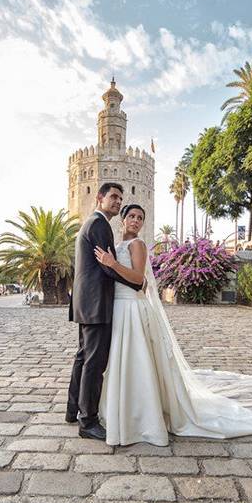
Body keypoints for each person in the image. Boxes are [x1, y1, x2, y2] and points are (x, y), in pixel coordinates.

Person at [90, 204, 252, 446]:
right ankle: (122, 410)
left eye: (140, 218)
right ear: (123, 220)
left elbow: (139, 279)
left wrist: (112, 263)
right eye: (131, 216)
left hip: (131, 308)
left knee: (135, 360)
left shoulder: (137, 245)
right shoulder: (118, 245)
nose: (136, 221)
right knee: (122, 361)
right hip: (119, 308)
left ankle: (141, 417)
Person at [67, 182, 144, 441]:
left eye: (120, 198)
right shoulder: (99, 225)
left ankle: (72, 410)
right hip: (96, 302)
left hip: (86, 302)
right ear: (99, 198)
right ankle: (87, 422)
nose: (117, 202)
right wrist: (135, 282)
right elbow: (107, 267)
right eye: (113, 196)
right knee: (94, 362)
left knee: (83, 357)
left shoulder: (91, 223)